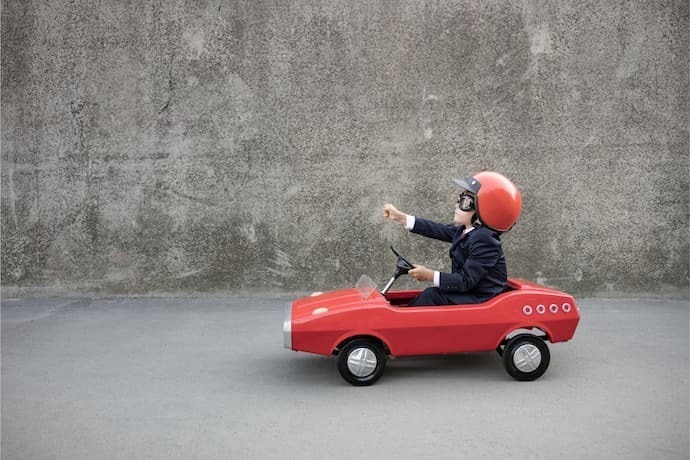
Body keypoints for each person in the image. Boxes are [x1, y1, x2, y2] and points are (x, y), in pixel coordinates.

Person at [383, 171, 522, 306]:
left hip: (482, 298)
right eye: (460, 198)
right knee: (432, 294)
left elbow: (466, 280)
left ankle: (403, 326)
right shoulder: (467, 231)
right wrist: (402, 217)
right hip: (469, 292)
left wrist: (430, 275)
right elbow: (437, 229)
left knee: (432, 296)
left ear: (485, 212)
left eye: (465, 202)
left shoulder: (485, 240)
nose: (456, 205)